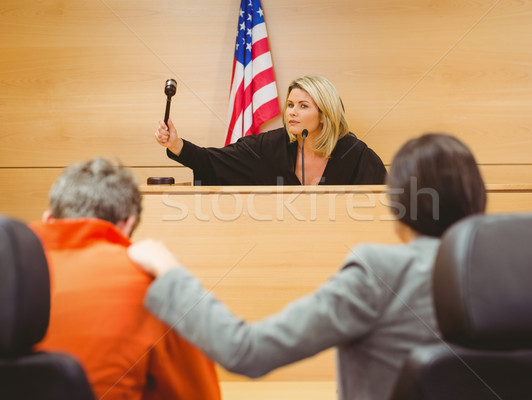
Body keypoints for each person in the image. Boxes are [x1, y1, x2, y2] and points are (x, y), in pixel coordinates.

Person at [129, 133, 487, 400]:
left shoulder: (381, 272)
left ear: (396, 205)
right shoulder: (523, 274)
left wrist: (171, 274)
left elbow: (245, 351)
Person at [29, 158, 221, 400]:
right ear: (128, 223)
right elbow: (199, 394)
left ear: (48, 218)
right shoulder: (155, 286)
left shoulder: (11, 271)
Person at [155, 75, 387, 185]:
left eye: (303, 106)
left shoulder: (354, 154)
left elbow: (386, 201)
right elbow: (214, 161)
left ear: (325, 115)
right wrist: (176, 144)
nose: (292, 112)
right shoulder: (268, 147)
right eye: (290, 105)